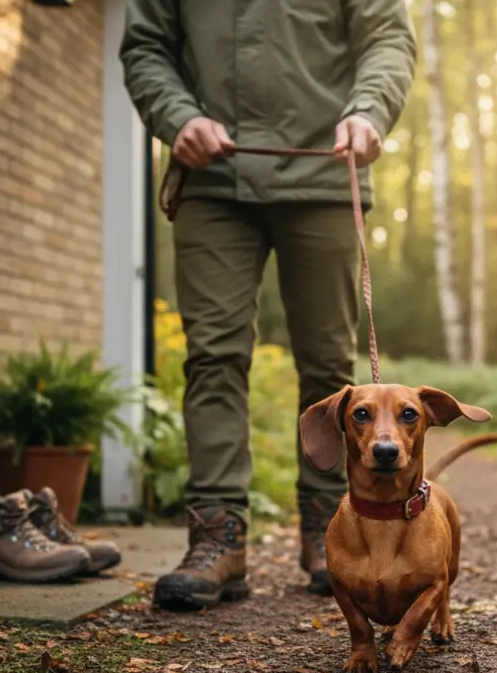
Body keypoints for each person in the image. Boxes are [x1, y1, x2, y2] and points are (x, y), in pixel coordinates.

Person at [121, 0, 417, 610]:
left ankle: (327, 532)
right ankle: (218, 540)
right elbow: (145, 46)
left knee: (328, 363)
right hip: (212, 179)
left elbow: (387, 36)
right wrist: (177, 116)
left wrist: (369, 110)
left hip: (326, 175)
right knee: (213, 356)